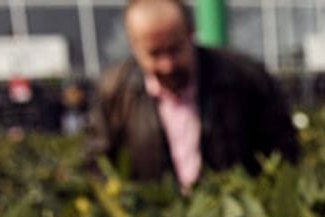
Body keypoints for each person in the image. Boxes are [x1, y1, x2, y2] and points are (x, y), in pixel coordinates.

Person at [87, 0, 299, 190]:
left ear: (191, 32)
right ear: (134, 46)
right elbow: (98, 165)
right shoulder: (114, 92)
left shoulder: (244, 78)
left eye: (174, 49)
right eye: (154, 53)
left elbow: (284, 154)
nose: (167, 65)